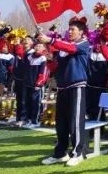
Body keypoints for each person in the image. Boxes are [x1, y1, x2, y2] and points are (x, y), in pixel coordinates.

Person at [39, 17, 92, 166]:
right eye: (69, 29)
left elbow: (72, 49)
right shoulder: (62, 50)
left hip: (77, 86)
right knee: (61, 123)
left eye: (73, 29)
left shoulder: (83, 43)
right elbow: (56, 68)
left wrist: (50, 41)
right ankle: (60, 153)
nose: (69, 31)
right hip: (62, 87)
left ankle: (78, 152)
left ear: (81, 32)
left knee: (75, 120)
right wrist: (50, 59)